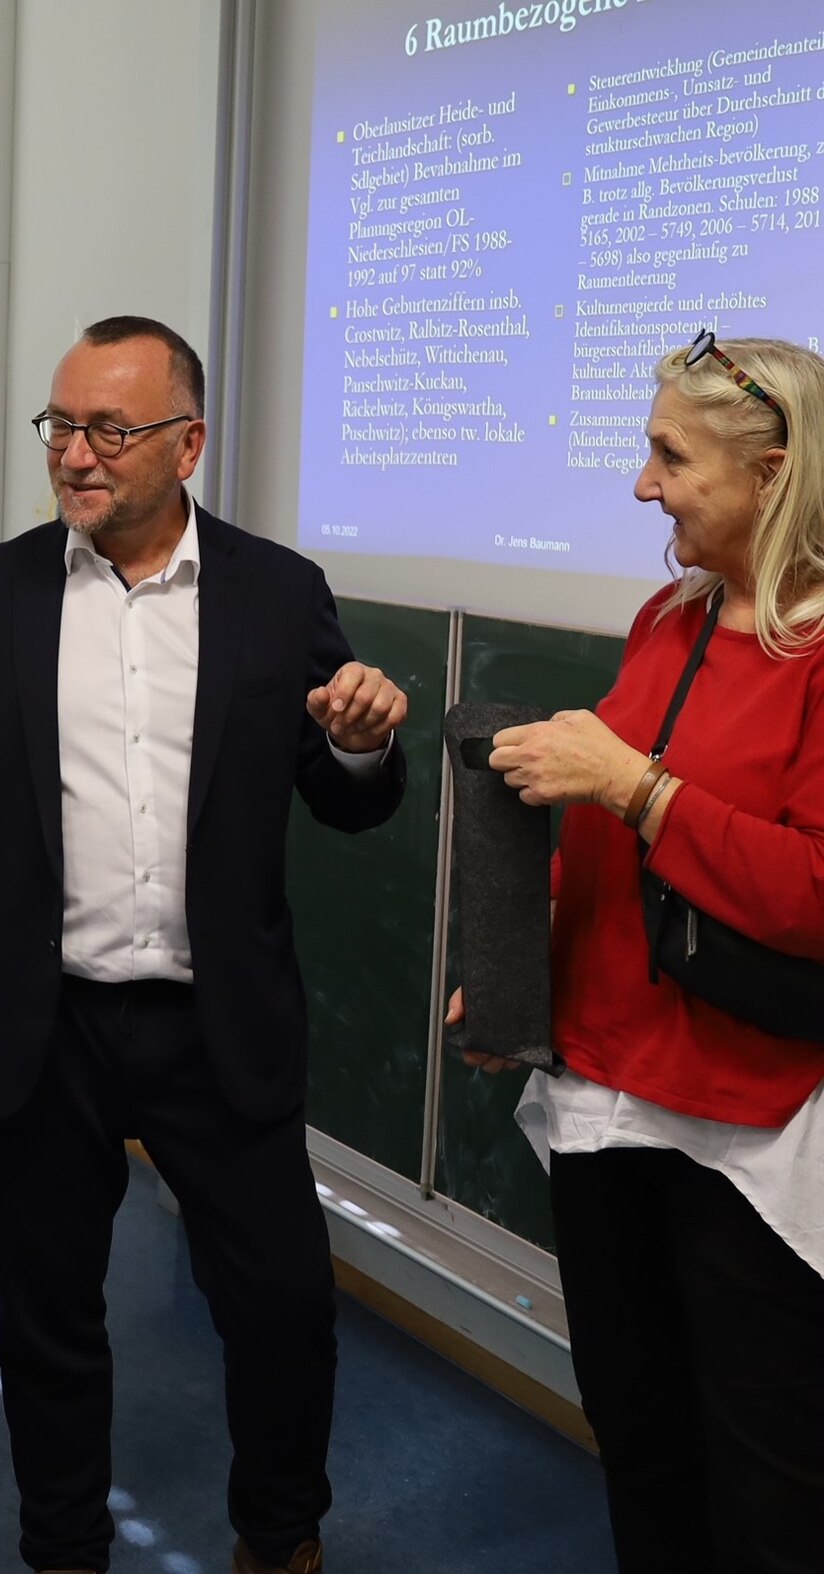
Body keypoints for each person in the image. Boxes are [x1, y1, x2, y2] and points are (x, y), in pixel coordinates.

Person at [0, 317, 407, 1574]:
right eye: (60, 426)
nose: (75, 455)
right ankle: (62, 1546)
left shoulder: (277, 593)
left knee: (281, 1306)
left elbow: (345, 792)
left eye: (110, 429)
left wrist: (363, 739)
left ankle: (279, 1537)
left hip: (217, 1024)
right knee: (50, 1320)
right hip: (40, 1021)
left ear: (189, 444)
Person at [453, 334, 824, 1574]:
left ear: (771, 474)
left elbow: (812, 892)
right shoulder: (669, 617)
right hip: (604, 1098)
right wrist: (518, 978)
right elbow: (603, 846)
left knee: (766, 1477)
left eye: (670, 455)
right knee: (641, 1434)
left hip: (743, 1124)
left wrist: (640, 788)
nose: (638, 483)